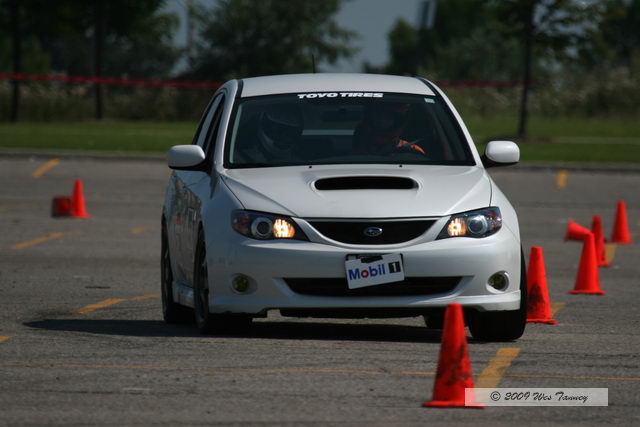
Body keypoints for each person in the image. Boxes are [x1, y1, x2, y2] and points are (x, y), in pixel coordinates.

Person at [234, 104, 303, 163]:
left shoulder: (299, 163)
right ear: (264, 126)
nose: (284, 138)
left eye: (290, 134)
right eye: (279, 131)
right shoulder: (237, 159)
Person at [354, 102, 425, 156]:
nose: (382, 121)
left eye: (389, 117)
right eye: (379, 116)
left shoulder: (413, 150)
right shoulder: (360, 153)